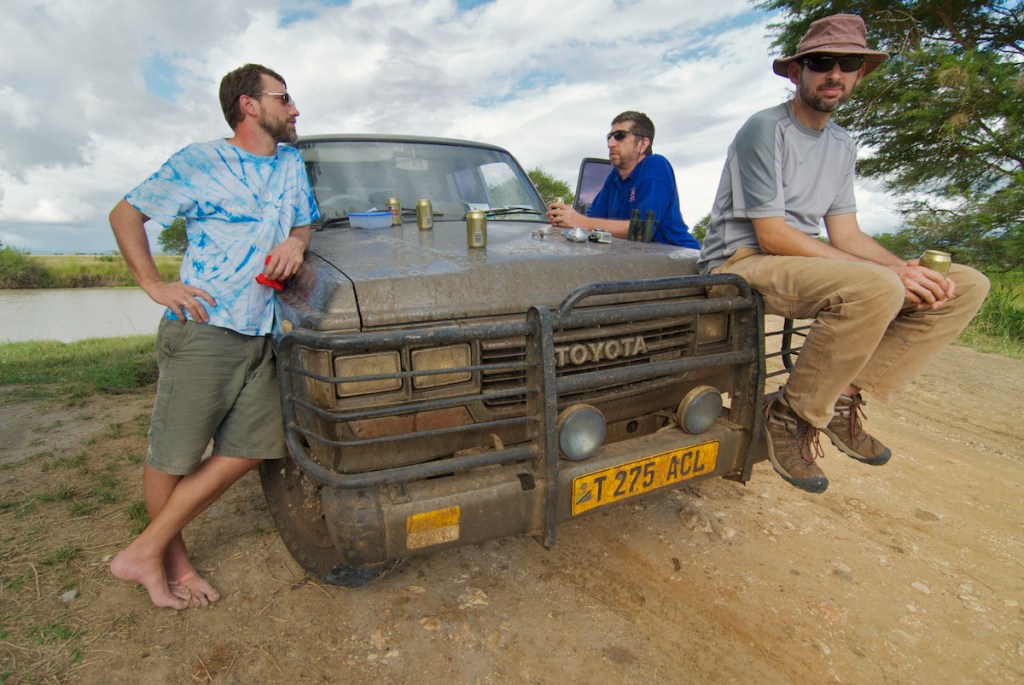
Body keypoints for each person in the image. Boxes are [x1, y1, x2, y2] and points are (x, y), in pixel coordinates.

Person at [697, 14, 989, 493]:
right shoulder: (765, 128)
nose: (834, 73)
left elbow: (847, 235)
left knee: (967, 284)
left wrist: (903, 268)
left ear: (861, 73)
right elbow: (772, 235)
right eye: (821, 62)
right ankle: (790, 414)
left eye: (847, 63)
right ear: (797, 72)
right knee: (878, 286)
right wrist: (889, 276)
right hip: (740, 262)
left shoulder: (841, 144)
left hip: (797, 261)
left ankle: (840, 397)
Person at [108, 63, 318, 608]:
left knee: (252, 448)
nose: (294, 109)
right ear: (249, 104)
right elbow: (125, 215)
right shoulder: (200, 161)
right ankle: (169, 565)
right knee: (173, 456)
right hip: (204, 327)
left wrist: (296, 242)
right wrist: (154, 285)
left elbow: (301, 221)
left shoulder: (291, 162)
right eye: (284, 98)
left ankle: (145, 549)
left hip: (265, 330)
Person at [547, 111, 699, 248]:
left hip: (679, 258)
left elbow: (642, 231)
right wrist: (566, 219)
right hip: (636, 259)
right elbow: (592, 219)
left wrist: (580, 222)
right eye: (609, 137)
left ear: (642, 144)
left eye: (620, 136)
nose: (610, 144)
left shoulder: (656, 165)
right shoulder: (614, 177)